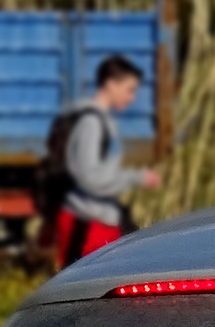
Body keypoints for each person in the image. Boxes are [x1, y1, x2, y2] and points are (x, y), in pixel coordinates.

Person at [44, 55, 162, 268]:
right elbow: (89, 177)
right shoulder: (91, 123)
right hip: (87, 222)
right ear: (110, 84)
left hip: (96, 218)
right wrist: (136, 178)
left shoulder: (99, 120)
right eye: (129, 89)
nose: (132, 97)